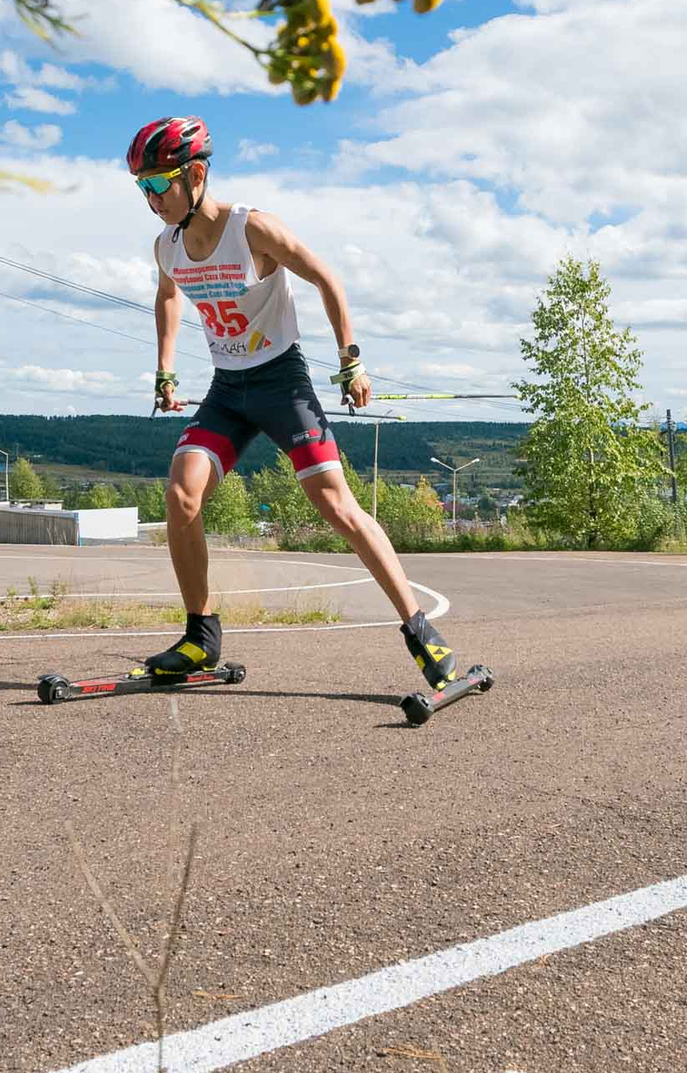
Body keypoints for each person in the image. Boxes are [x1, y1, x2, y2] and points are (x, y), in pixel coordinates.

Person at [126, 115, 462, 692]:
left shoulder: (251, 229)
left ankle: (418, 626)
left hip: (283, 383)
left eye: (158, 185)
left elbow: (327, 278)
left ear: (197, 173)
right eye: (142, 189)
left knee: (335, 505)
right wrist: (164, 368)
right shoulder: (167, 247)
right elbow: (166, 298)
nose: (151, 200)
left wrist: (350, 357)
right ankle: (200, 637)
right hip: (229, 389)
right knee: (182, 491)